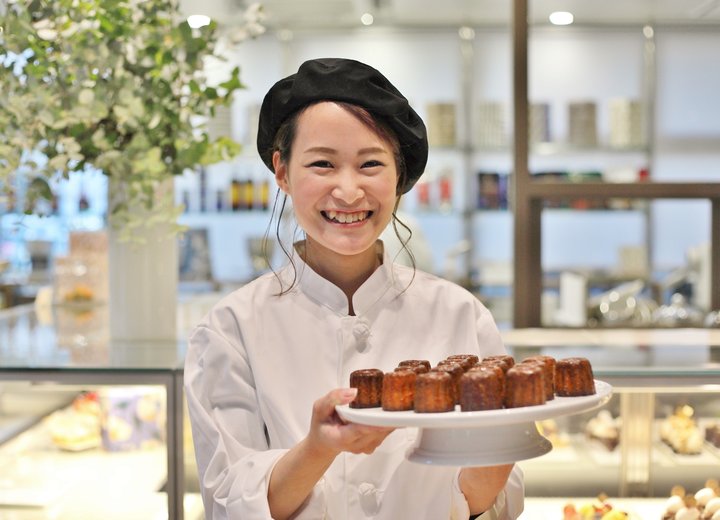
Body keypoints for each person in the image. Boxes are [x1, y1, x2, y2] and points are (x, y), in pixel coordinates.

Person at [184, 57, 524, 519]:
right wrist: (317, 449)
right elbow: (229, 502)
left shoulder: (460, 314)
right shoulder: (230, 329)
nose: (348, 191)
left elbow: (495, 502)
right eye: (322, 163)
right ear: (282, 171)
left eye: (370, 164)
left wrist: (508, 432)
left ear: (398, 177)